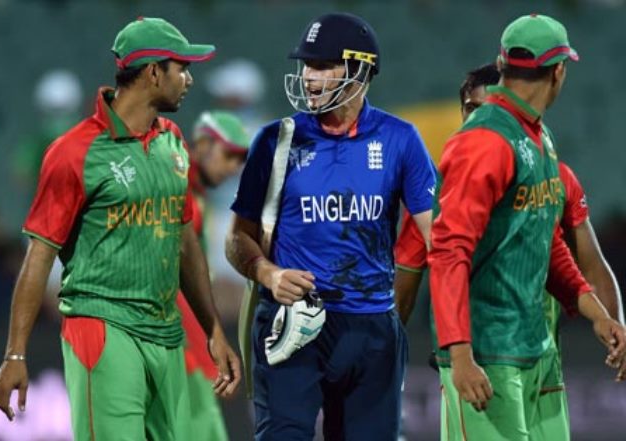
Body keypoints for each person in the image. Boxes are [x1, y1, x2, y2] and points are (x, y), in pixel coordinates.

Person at [0, 17, 240, 440]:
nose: (189, 80)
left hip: (166, 335)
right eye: (182, 68)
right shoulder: (73, 153)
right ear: (153, 72)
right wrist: (15, 353)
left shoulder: (173, 142)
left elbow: (185, 244)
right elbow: (39, 257)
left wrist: (212, 329)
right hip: (102, 329)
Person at [225, 12, 436, 440]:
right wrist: (270, 273)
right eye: (305, 65)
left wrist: (460, 332)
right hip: (293, 322)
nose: (307, 76)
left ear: (358, 69)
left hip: (373, 328)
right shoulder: (275, 140)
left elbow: (441, 240)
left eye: (321, 65)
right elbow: (236, 238)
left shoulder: (401, 139)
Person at [427, 14, 626, 441]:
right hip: (488, 353)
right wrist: (459, 354)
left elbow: (543, 237)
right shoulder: (485, 140)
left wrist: (595, 313)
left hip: (534, 348)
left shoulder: (536, 135)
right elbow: (448, 251)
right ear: (558, 72)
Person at [177, 110, 250, 441]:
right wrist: (210, 340)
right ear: (203, 144)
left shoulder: (198, 196)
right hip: (177, 341)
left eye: (240, 160)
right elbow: (177, 280)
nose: (234, 167)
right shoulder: (177, 187)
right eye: (229, 155)